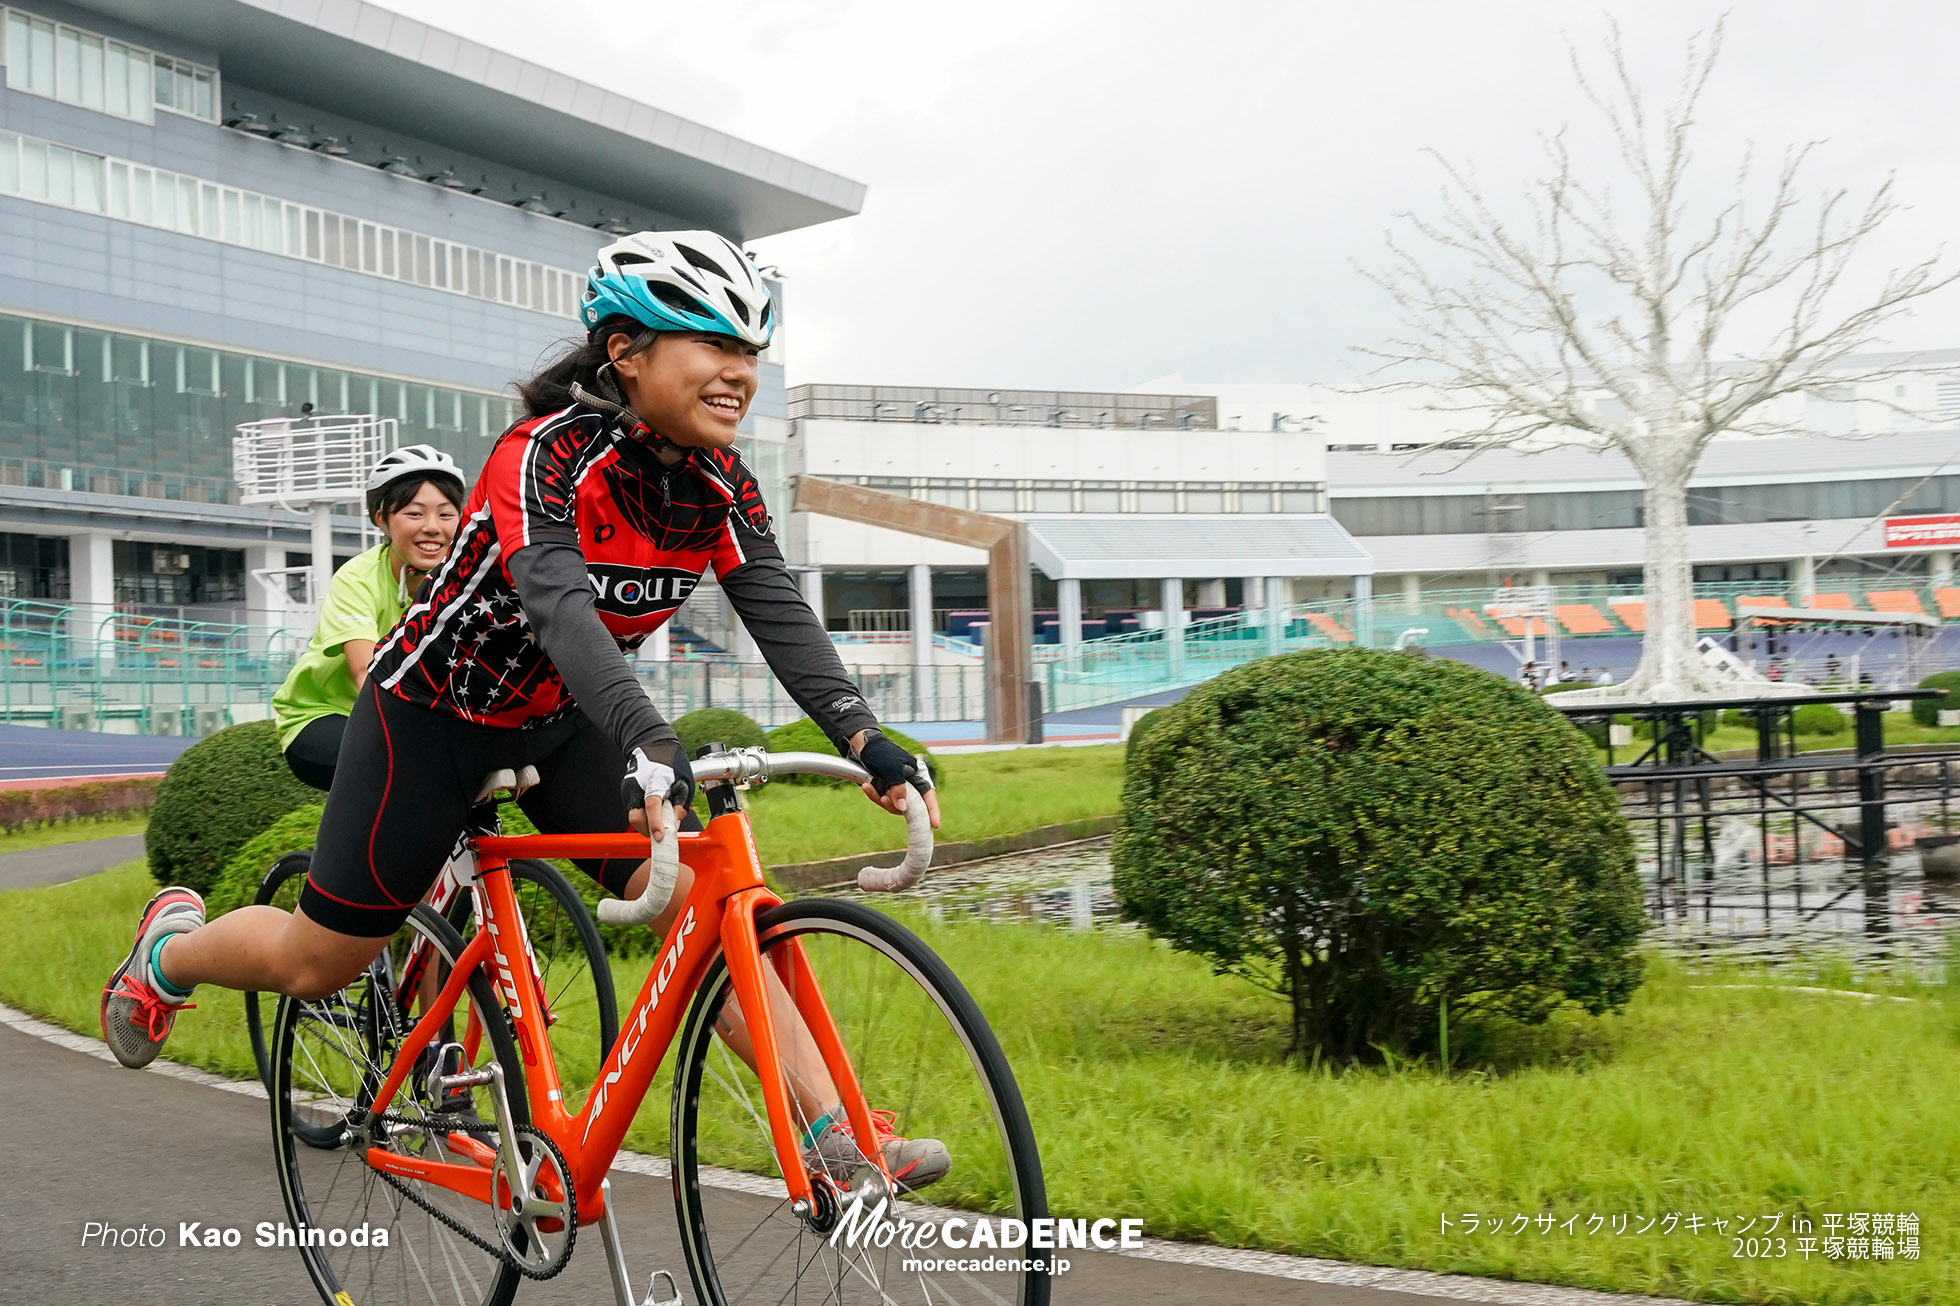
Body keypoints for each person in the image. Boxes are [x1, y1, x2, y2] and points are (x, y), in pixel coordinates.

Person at [102, 230, 948, 1187]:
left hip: (555, 722)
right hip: (428, 719)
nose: (738, 373)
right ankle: (168, 955)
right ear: (625, 351)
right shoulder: (540, 455)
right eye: (712, 344)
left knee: (697, 908)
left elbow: (779, 612)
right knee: (317, 962)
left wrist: (866, 735)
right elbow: (558, 603)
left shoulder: (724, 483)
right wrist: (650, 736)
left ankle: (841, 1139)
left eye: (750, 353)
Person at [271, 445, 465, 790]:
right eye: (415, 514)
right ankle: (349, 847)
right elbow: (367, 673)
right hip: (325, 715)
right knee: (407, 766)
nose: (433, 528)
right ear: (382, 520)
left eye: (446, 515)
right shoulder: (357, 578)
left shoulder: (466, 582)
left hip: (420, 718)